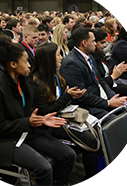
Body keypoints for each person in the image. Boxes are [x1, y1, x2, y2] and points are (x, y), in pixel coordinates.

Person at [0, 34, 76, 186]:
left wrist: (42, 119)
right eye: (26, 61)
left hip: (28, 132)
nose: (30, 65)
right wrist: (28, 122)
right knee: (44, 168)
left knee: (69, 155)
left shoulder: (25, 81)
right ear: (13, 64)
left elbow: (30, 113)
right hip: (7, 140)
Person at [31, 42, 101, 186]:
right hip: (48, 124)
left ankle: (92, 178)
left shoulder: (55, 75)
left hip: (62, 115)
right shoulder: (36, 82)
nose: (62, 58)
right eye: (58, 55)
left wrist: (71, 96)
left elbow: (60, 100)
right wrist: (68, 97)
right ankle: (89, 181)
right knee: (90, 140)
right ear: (49, 59)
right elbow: (46, 111)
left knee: (96, 131)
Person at [60, 27, 127, 120]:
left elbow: (100, 82)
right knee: (117, 121)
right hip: (87, 106)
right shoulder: (71, 64)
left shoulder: (90, 56)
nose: (95, 44)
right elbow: (82, 96)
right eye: (93, 41)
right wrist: (108, 103)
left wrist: (114, 98)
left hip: (100, 99)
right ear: (84, 43)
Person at [92, 28, 127, 96]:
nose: (105, 45)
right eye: (102, 42)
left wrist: (116, 71)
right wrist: (113, 75)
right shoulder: (122, 45)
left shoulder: (100, 54)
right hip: (109, 86)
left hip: (113, 81)